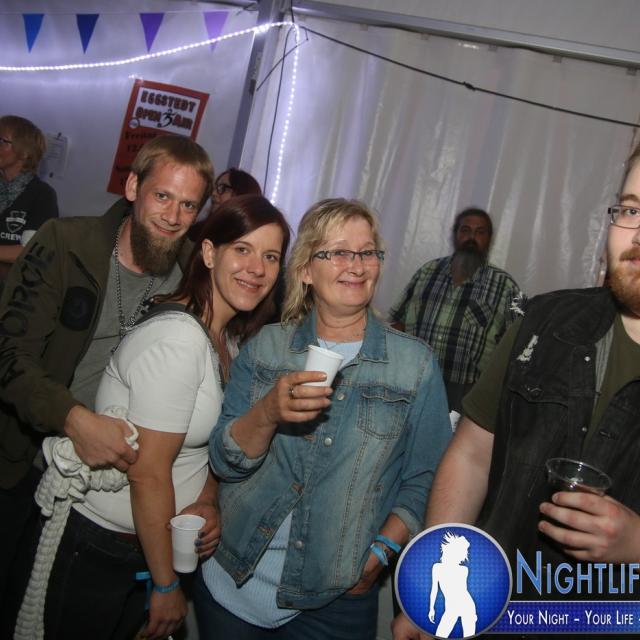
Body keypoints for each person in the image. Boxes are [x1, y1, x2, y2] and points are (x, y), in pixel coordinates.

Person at [12, 194, 290, 640]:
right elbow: (149, 474)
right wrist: (166, 584)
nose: (257, 267)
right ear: (208, 253)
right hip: (99, 548)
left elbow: (207, 445)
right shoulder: (179, 340)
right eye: (243, 249)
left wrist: (207, 498)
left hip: (140, 549)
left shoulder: (228, 342)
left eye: (271, 256)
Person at [392, 143, 640, 639]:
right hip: (490, 612)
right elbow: (471, 456)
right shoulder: (545, 320)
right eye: (632, 210)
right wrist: (426, 590)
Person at [194, 198, 451, 639]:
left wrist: (383, 550)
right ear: (306, 271)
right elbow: (224, 460)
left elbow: (427, 475)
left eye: (367, 252)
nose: (357, 265)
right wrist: (268, 412)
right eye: (337, 252)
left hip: (335, 599)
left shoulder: (414, 366)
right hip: (232, 580)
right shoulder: (266, 348)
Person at [0, 134, 213, 617]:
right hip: (23, 468)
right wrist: (74, 419)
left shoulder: (192, 276)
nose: (173, 216)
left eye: (188, 205)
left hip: (104, 498)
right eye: (162, 196)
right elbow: (9, 353)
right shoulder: (65, 243)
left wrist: (208, 493)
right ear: (134, 187)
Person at [389, 208, 522, 412]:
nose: (471, 238)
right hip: (412, 381)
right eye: (465, 230)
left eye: (480, 232)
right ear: (455, 234)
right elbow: (398, 322)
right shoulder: (427, 272)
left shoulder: (506, 286)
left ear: (489, 238)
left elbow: (518, 345)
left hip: (466, 393)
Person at [0, 115, 58, 280]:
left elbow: (30, 250)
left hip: (12, 287)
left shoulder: (42, 195)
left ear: (25, 153)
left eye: (2, 141)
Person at [189, 167, 262, 241]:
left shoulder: (248, 240)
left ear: (241, 194)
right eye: (215, 187)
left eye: (223, 188)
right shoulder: (196, 232)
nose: (214, 193)